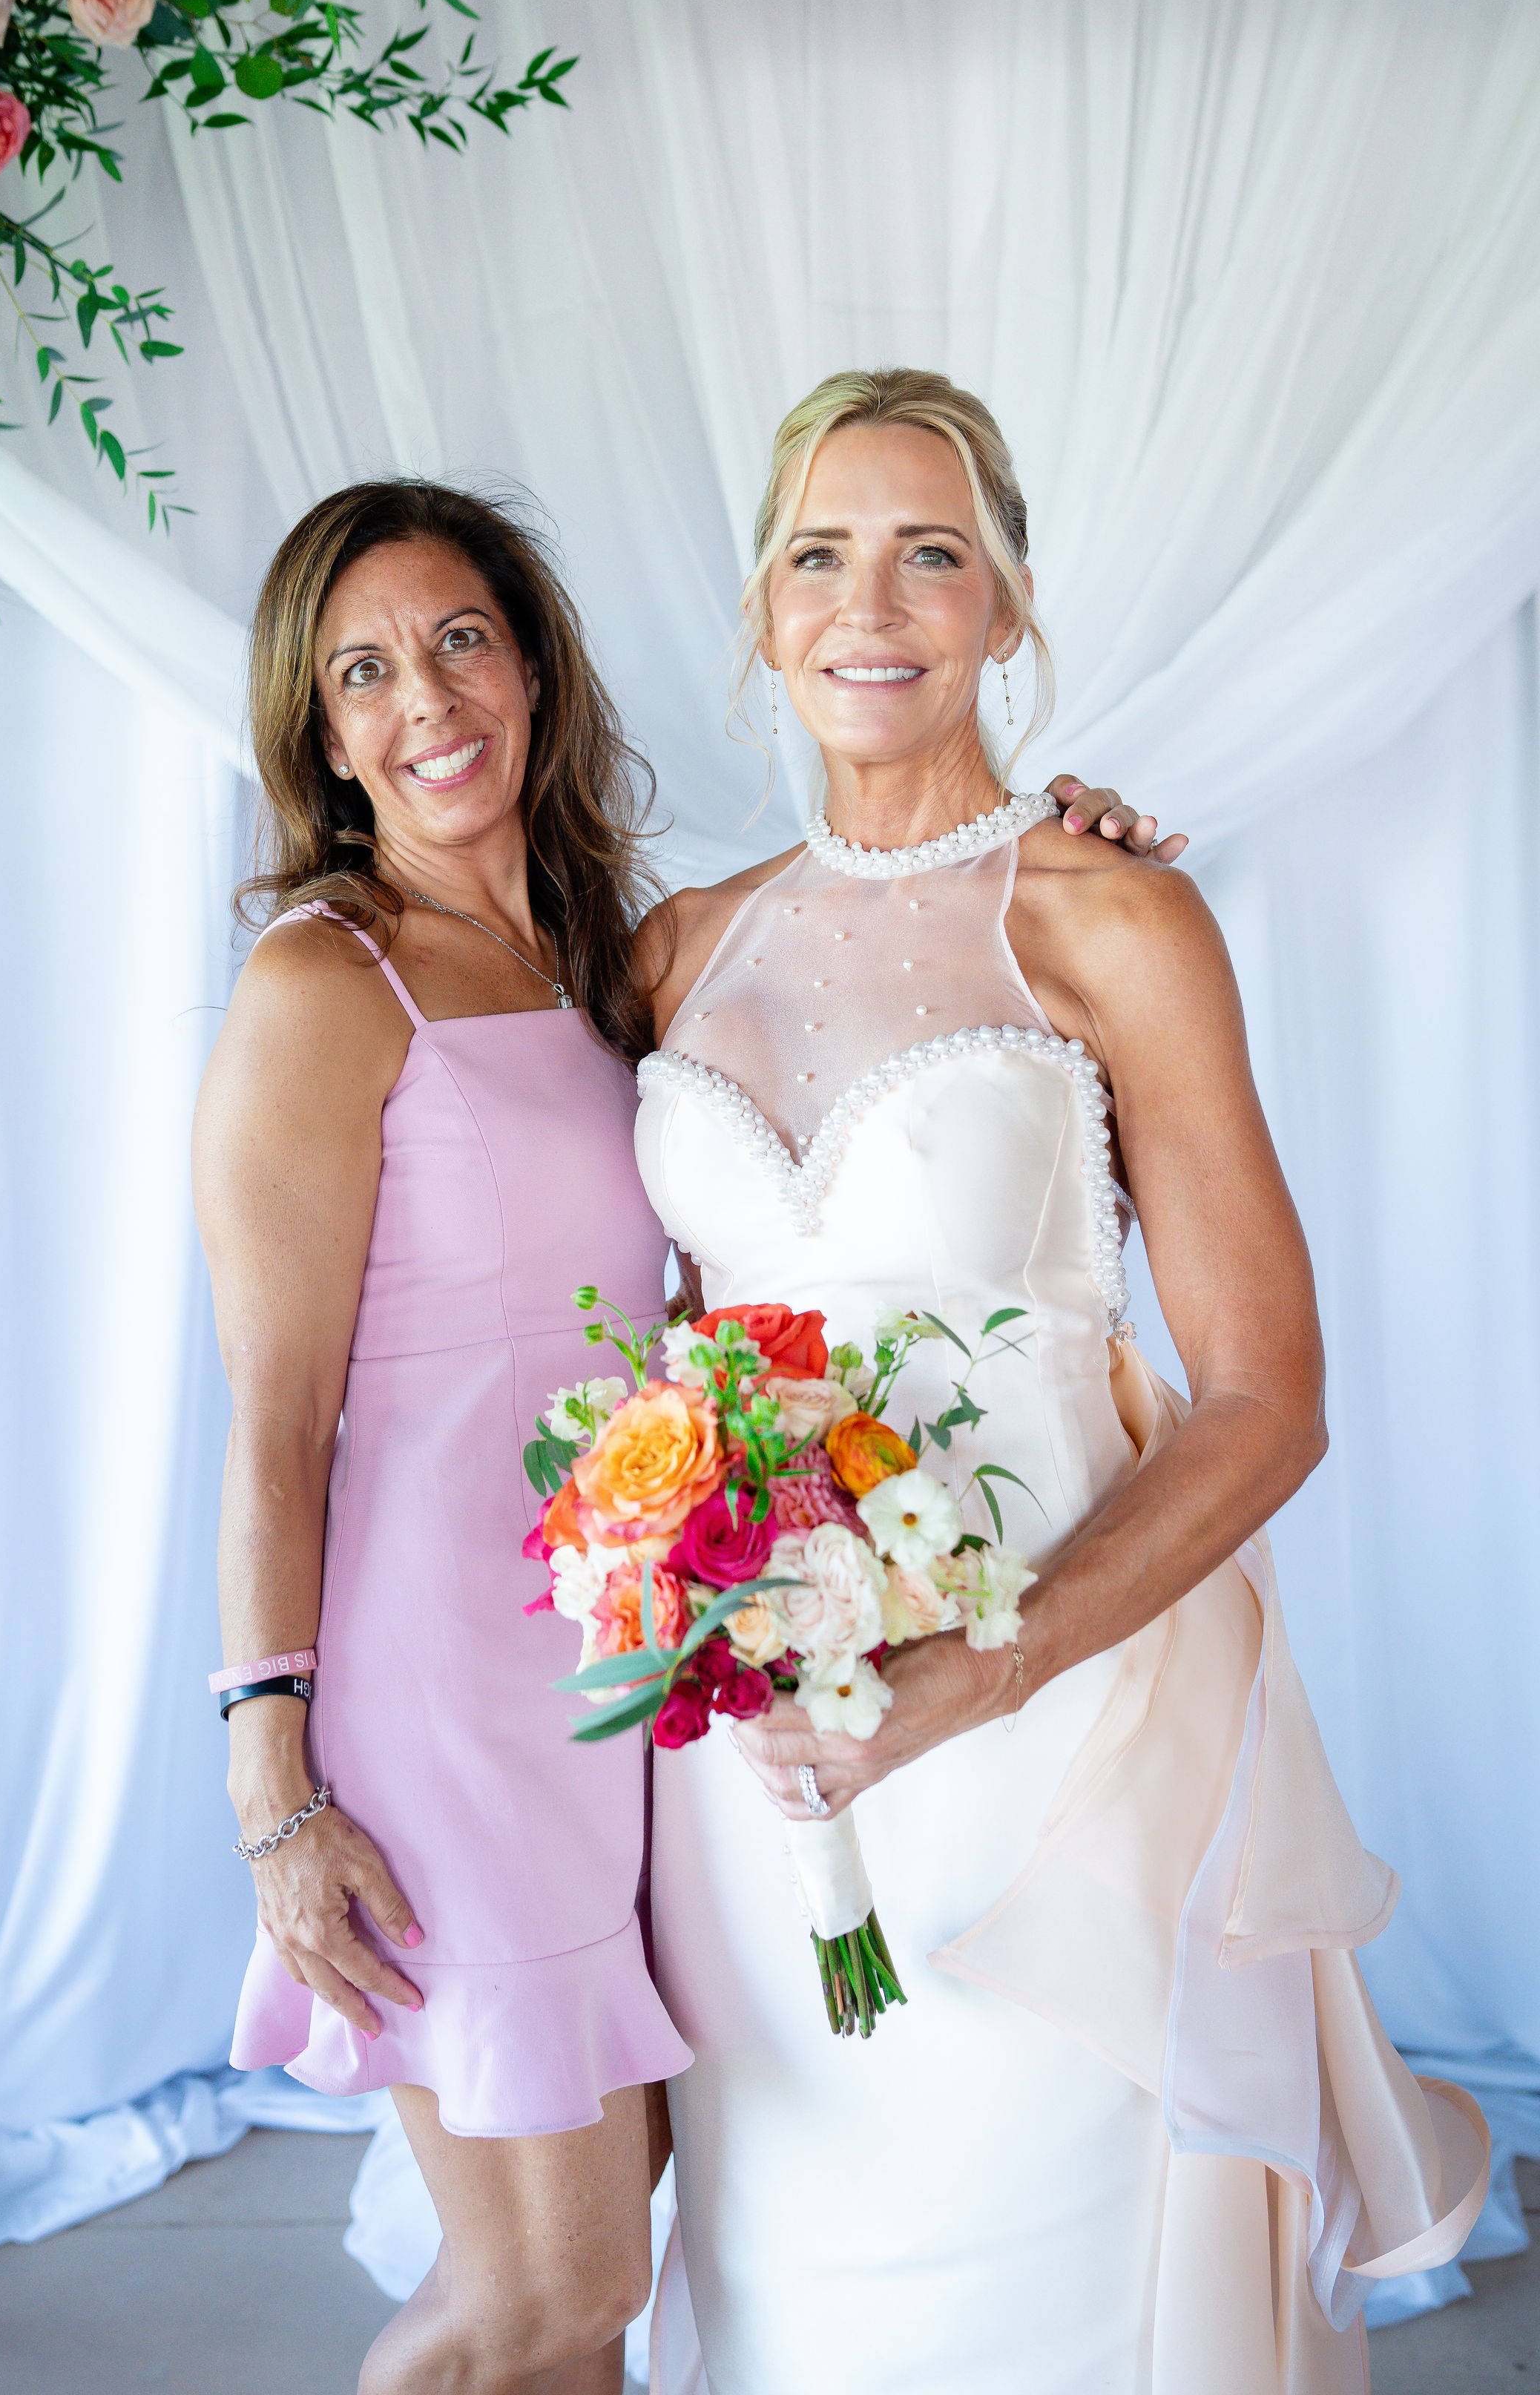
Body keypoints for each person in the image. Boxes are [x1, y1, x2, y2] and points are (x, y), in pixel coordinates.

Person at [192, 471, 1165, 2394]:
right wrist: (272, 1785)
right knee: (542, 2297)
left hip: (630, 1679)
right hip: (443, 1706)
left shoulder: (606, 957)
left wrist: (1070, 839)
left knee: (613, 2263)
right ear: (320, 733)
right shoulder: (325, 979)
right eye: (364, 670)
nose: (426, 699)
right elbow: (271, 1422)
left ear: (534, 670)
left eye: (461, 640)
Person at [635, 369, 1488, 2395]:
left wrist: (977, 1674)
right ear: (761, 612)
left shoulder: (1115, 915)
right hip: (753, 1744)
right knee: (796, 2261)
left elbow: (1267, 1395)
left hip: (1059, 1725)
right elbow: (649, 1344)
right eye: (821, 555)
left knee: (1054, 2271)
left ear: (1007, 605)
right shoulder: (672, 945)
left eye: (931, 553)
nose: (871, 605)